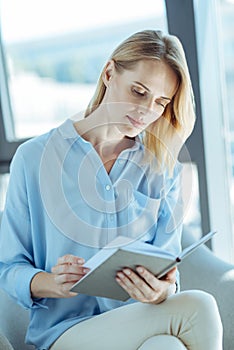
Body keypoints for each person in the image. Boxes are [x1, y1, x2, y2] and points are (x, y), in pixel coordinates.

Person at [0, 30, 222, 350]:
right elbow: (8, 269)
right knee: (200, 306)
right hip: (64, 332)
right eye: (138, 91)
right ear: (109, 73)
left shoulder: (164, 166)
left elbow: (169, 273)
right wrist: (53, 283)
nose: (146, 111)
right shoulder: (35, 158)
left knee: (167, 346)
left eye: (161, 102)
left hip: (141, 321)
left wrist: (160, 292)